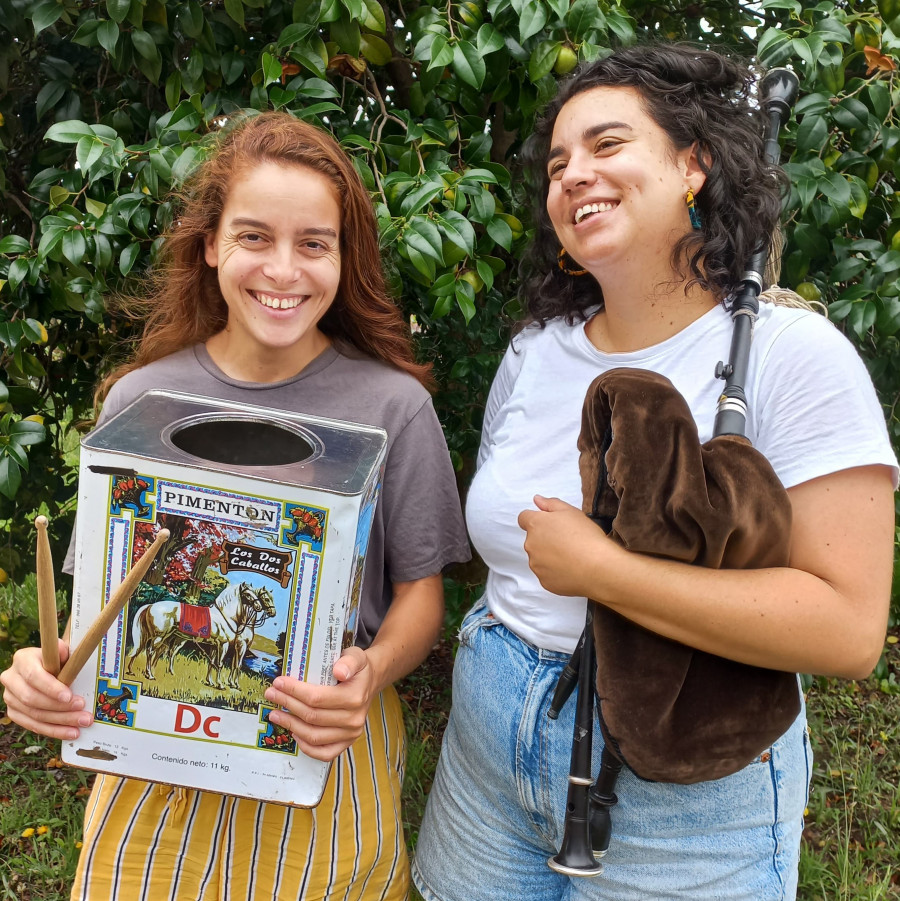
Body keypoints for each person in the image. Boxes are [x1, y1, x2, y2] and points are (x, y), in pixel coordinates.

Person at [412, 44, 898, 901]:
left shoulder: (795, 357)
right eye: (558, 163)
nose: (573, 175)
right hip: (491, 736)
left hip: (689, 778)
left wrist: (607, 572)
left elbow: (848, 629)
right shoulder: (533, 351)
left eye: (606, 146)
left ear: (691, 166)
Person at [1, 111, 470, 900]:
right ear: (212, 244)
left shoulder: (393, 408)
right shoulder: (141, 398)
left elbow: (423, 596)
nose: (283, 269)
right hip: (151, 764)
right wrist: (42, 672)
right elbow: (93, 609)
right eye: (254, 236)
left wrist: (370, 672)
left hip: (319, 747)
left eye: (313, 243)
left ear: (342, 258)